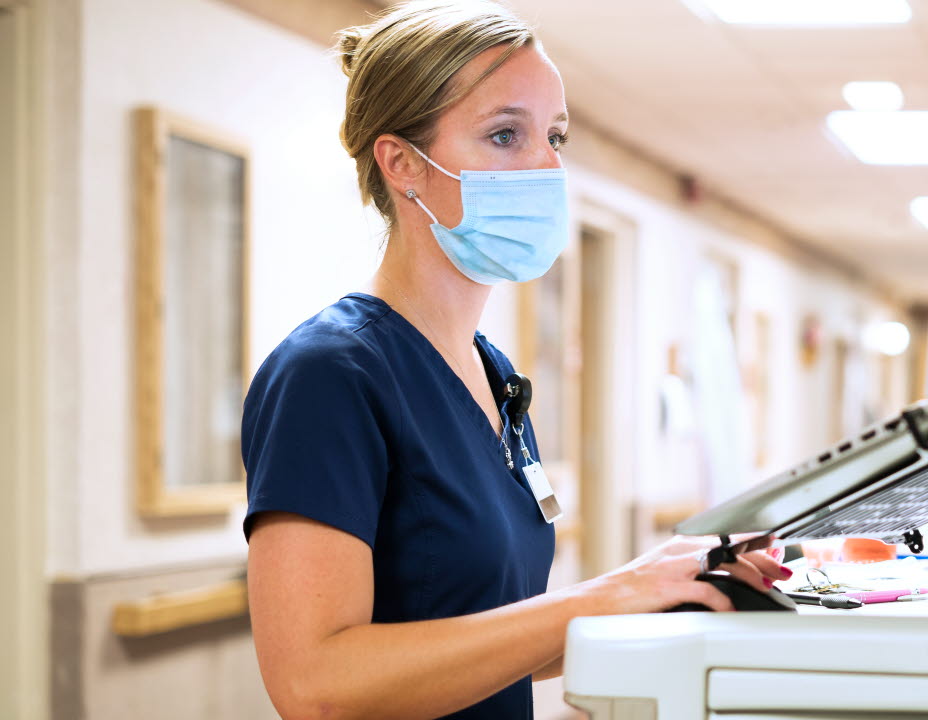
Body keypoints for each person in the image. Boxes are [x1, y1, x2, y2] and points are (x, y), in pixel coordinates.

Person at [240, 2, 788, 718]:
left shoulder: (494, 377)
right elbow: (314, 687)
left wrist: (668, 588)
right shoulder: (331, 375)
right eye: (505, 135)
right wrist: (604, 596)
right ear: (402, 163)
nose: (545, 165)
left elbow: (491, 639)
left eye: (554, 135)